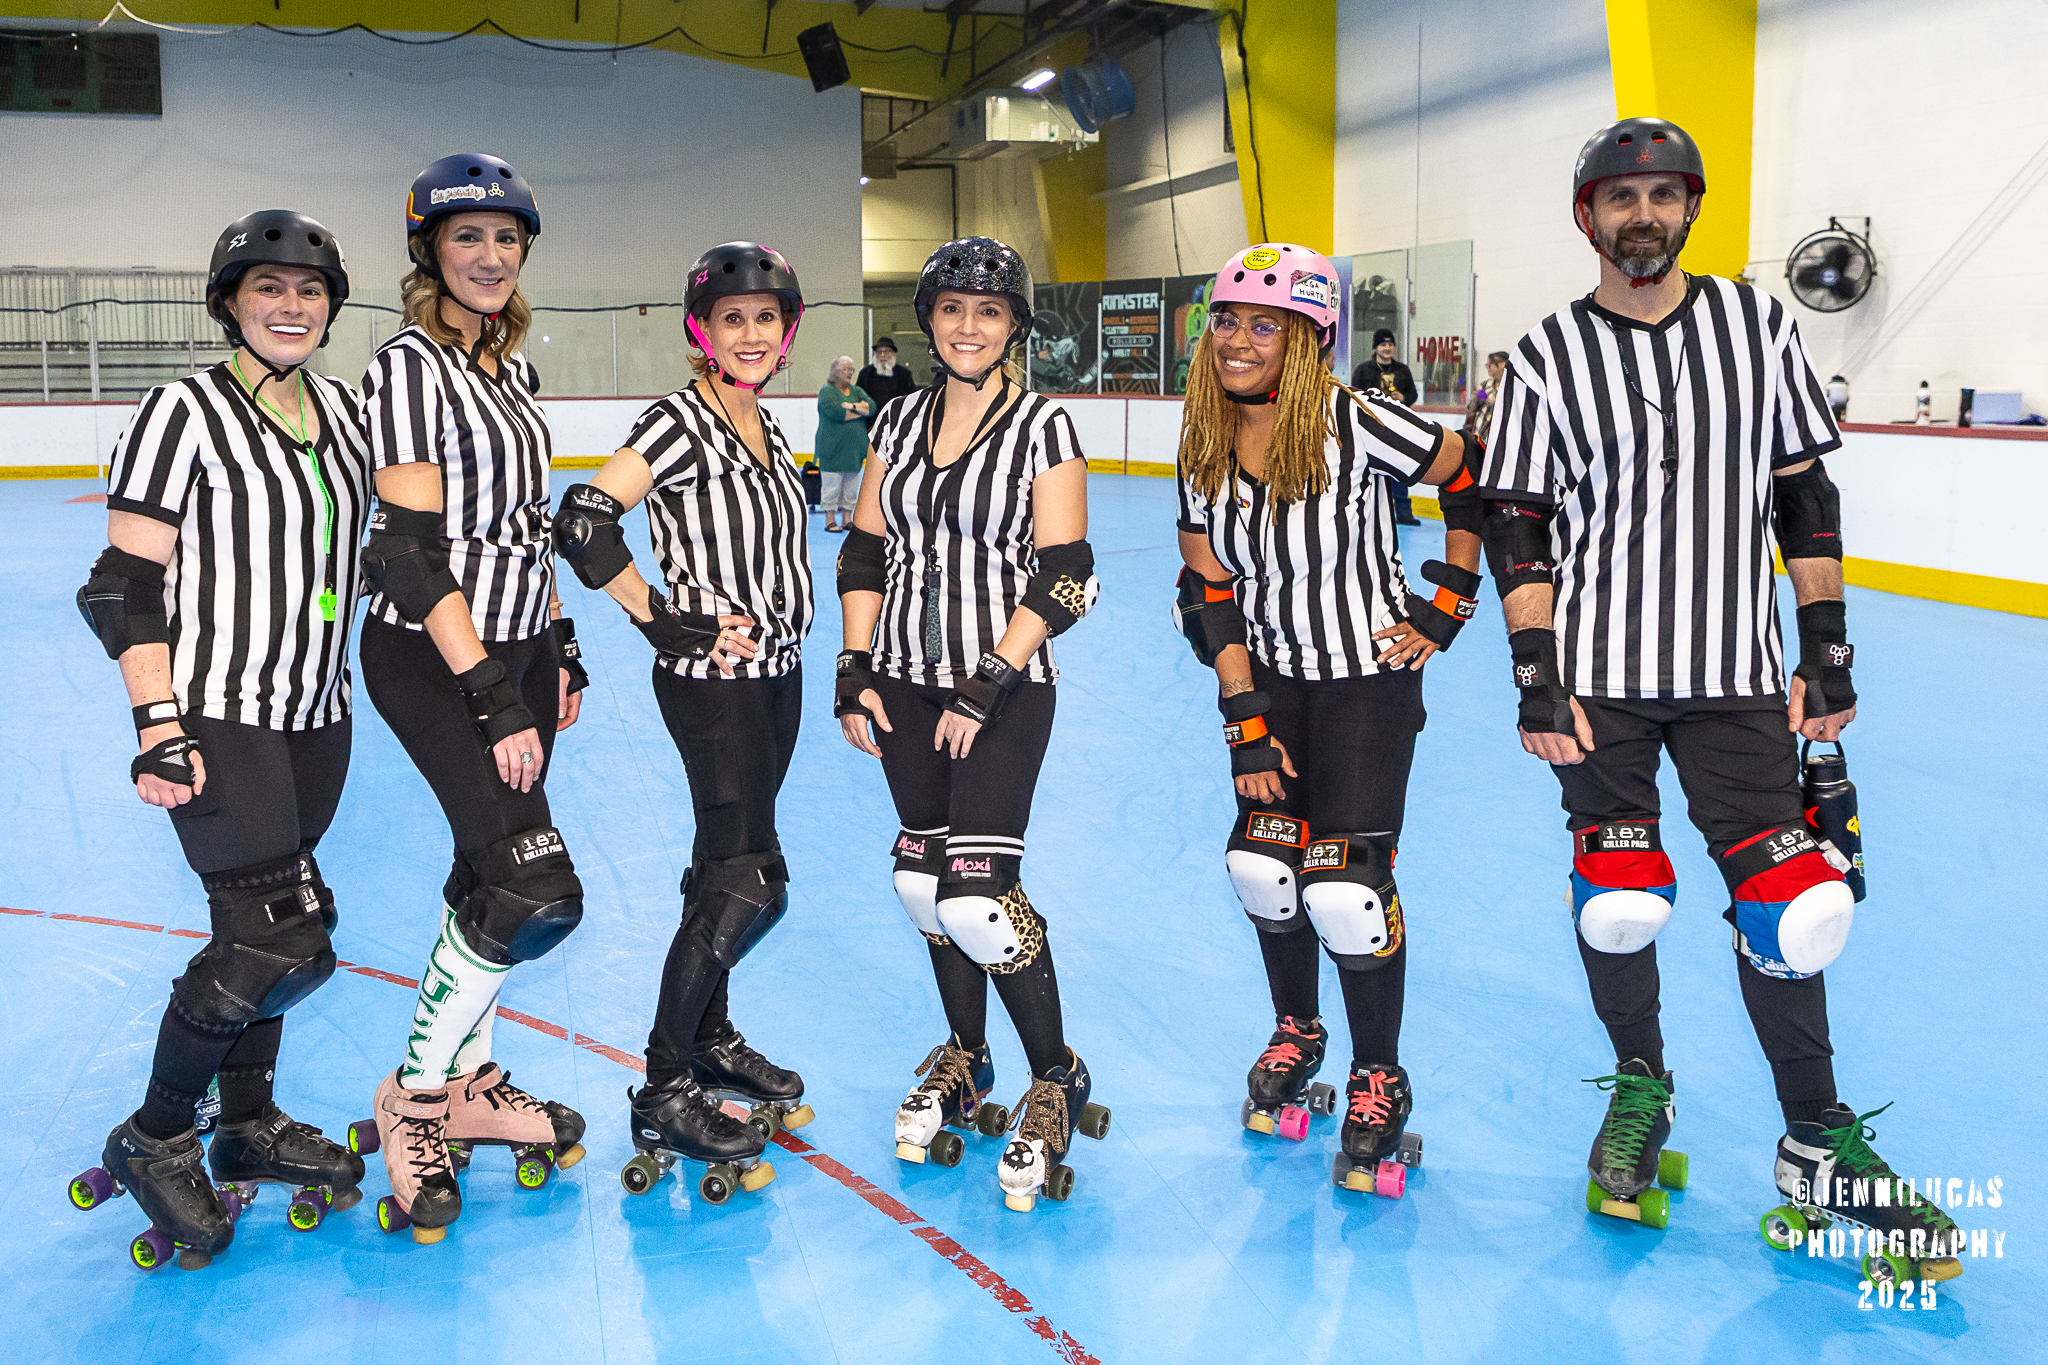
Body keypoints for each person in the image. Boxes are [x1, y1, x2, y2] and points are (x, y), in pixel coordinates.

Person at [1478, 116, 1965, 1274]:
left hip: (1734, 677)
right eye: (1620, 196)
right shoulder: (1545, 354)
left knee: (1792, 904)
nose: (1641, 214)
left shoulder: (1757, 326)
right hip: (1598, 679)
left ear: (1688, 207)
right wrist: (1534, 674)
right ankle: (1638, 1090)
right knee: (1617, 898)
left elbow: (1803, 494)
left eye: (1662, 194)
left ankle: (1814, 1138)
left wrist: (1825, 648)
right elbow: (1517, 523)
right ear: (1586, 217)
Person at [69, 211, 370, 1269]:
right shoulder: (180, 412)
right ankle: (156, 1134)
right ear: (230, 302)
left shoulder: (346, 415)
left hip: (315, 714)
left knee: (288, 927)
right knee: (270, 939)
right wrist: (157, 722)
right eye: (267, 288)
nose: (290, 306)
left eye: (309, 290)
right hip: (216, 709)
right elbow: (120, 586)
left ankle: (247, 1121)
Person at [1172, 242, 1483, 1196]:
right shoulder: (1203, 439)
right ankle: (1297, 1028)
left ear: (1308, 339)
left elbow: (1467, 476)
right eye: (1227, 320)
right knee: (1265, 870)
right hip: (1271, 687)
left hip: (1365, 687)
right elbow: (1207, 587)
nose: (1238, 339)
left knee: (1345, 889)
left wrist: (1448, 599)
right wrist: (1244, 716)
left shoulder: (1359, 421)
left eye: (1265, 325)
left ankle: (1380, 1071)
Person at [835, 236, 1110, 1213]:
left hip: (1002, 688)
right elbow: (865, 552)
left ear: (1013, 328)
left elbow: (1067, 572)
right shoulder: (896, 421)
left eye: (988, 311)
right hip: (904, 684)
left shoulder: (1043, 427)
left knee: (978, 898)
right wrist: (853, 668)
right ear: (928, 320)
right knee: (923, 883)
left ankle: (1053, 1076)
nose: (967, 326)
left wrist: (987, 680)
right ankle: (967, 1054)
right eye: (952, 308)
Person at [354, 154, 589, 1245]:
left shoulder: (511, 370)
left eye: (505, 238)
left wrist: (560, 647)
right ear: (429, 252)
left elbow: (524, 523)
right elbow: (406, 554)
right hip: (437, 654)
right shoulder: (406, 369)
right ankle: (413, 1099)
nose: (490, 257)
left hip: (522, 645)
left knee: (486, 870)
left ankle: (467, 1083)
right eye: (466, 238)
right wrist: (492, 693)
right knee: (531, 888)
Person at [552, 241, 814, 1200]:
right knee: (748, 882)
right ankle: (666, 1080)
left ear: (786, 331)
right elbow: (583, 519)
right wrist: (660, 616)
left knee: (722, 868)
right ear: (703, 332)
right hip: (714, 679)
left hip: (776, 678)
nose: (750, 334)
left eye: (766, 318)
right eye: (731, 319)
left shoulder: (765, 423)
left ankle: (710, 1039)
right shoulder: (679, 420)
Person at [1352, 329, 1421, 525]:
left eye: (1390, 344)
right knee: (1367, 469)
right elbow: (1354, 395)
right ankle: (1365, 511)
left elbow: (1413, 395)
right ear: (1375, 348)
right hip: (1370, 426)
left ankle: (1403, 512)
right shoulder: (1363, 370)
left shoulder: (1402, 370)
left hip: (1398, 426)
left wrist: (1403, 397)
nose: (1387, 348)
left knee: (1399, 468)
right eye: (1383, 344)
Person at [815, 355, 871, 532]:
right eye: (846, 369)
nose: (850, 373)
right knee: (831, 486)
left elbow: (871, 408)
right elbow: (836, 413)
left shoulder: (856, 391)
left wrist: (851, 406)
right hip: (832, 449)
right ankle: (830, 520)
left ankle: (847, 519)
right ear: (836, 371)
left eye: (851, 369)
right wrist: (859, 411)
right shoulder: (827, 391)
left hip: (853, 451)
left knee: (851, 487)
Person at [856, 336, 917, 430]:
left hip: (896, 424)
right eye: (879, 352)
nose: (882, 355)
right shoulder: (866, 373)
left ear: (893, 354)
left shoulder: (903, 374)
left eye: (886, 351)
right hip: (870, 424)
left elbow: (910, 399)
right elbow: (859, 397)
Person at [1467, 350, 1509, 447]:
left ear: (1502, 365)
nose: (1488, 367)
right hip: (1480, 434)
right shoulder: (1486, 385)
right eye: (1487, 365)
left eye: (1490, 364)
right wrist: (1474, 399)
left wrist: (1496, 402)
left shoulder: (1510, 387)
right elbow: (1474, 407)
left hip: (1499, 437)